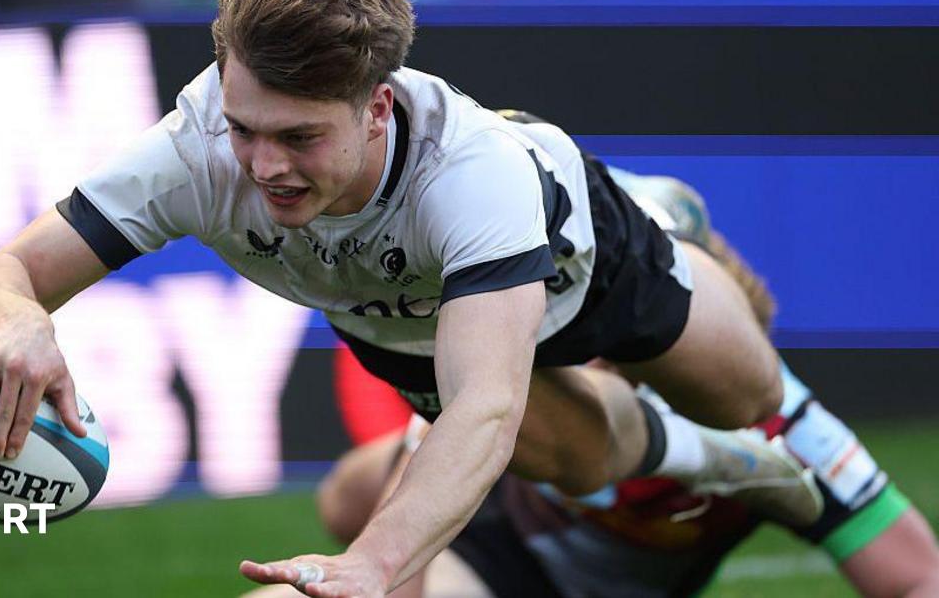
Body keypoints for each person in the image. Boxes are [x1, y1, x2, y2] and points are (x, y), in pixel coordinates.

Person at [0, 0, 816, 595]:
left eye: (299, 137)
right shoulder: (193, 150)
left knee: (752, 394)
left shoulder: (470, 172)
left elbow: (484, 407)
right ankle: (710, 461)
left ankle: (667, 215)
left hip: (580, 259)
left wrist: (372, 562)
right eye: (246, 128)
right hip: (405, 318)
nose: (264, 166)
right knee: (584, 461)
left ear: (376, 108)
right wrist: (17, 317)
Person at [243, 166, 939, 597]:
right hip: (491, 552)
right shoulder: (543, 342)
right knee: (334, 526)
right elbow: (347, 508)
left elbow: (917, 573)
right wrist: (428, 438)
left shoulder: (788, 426)